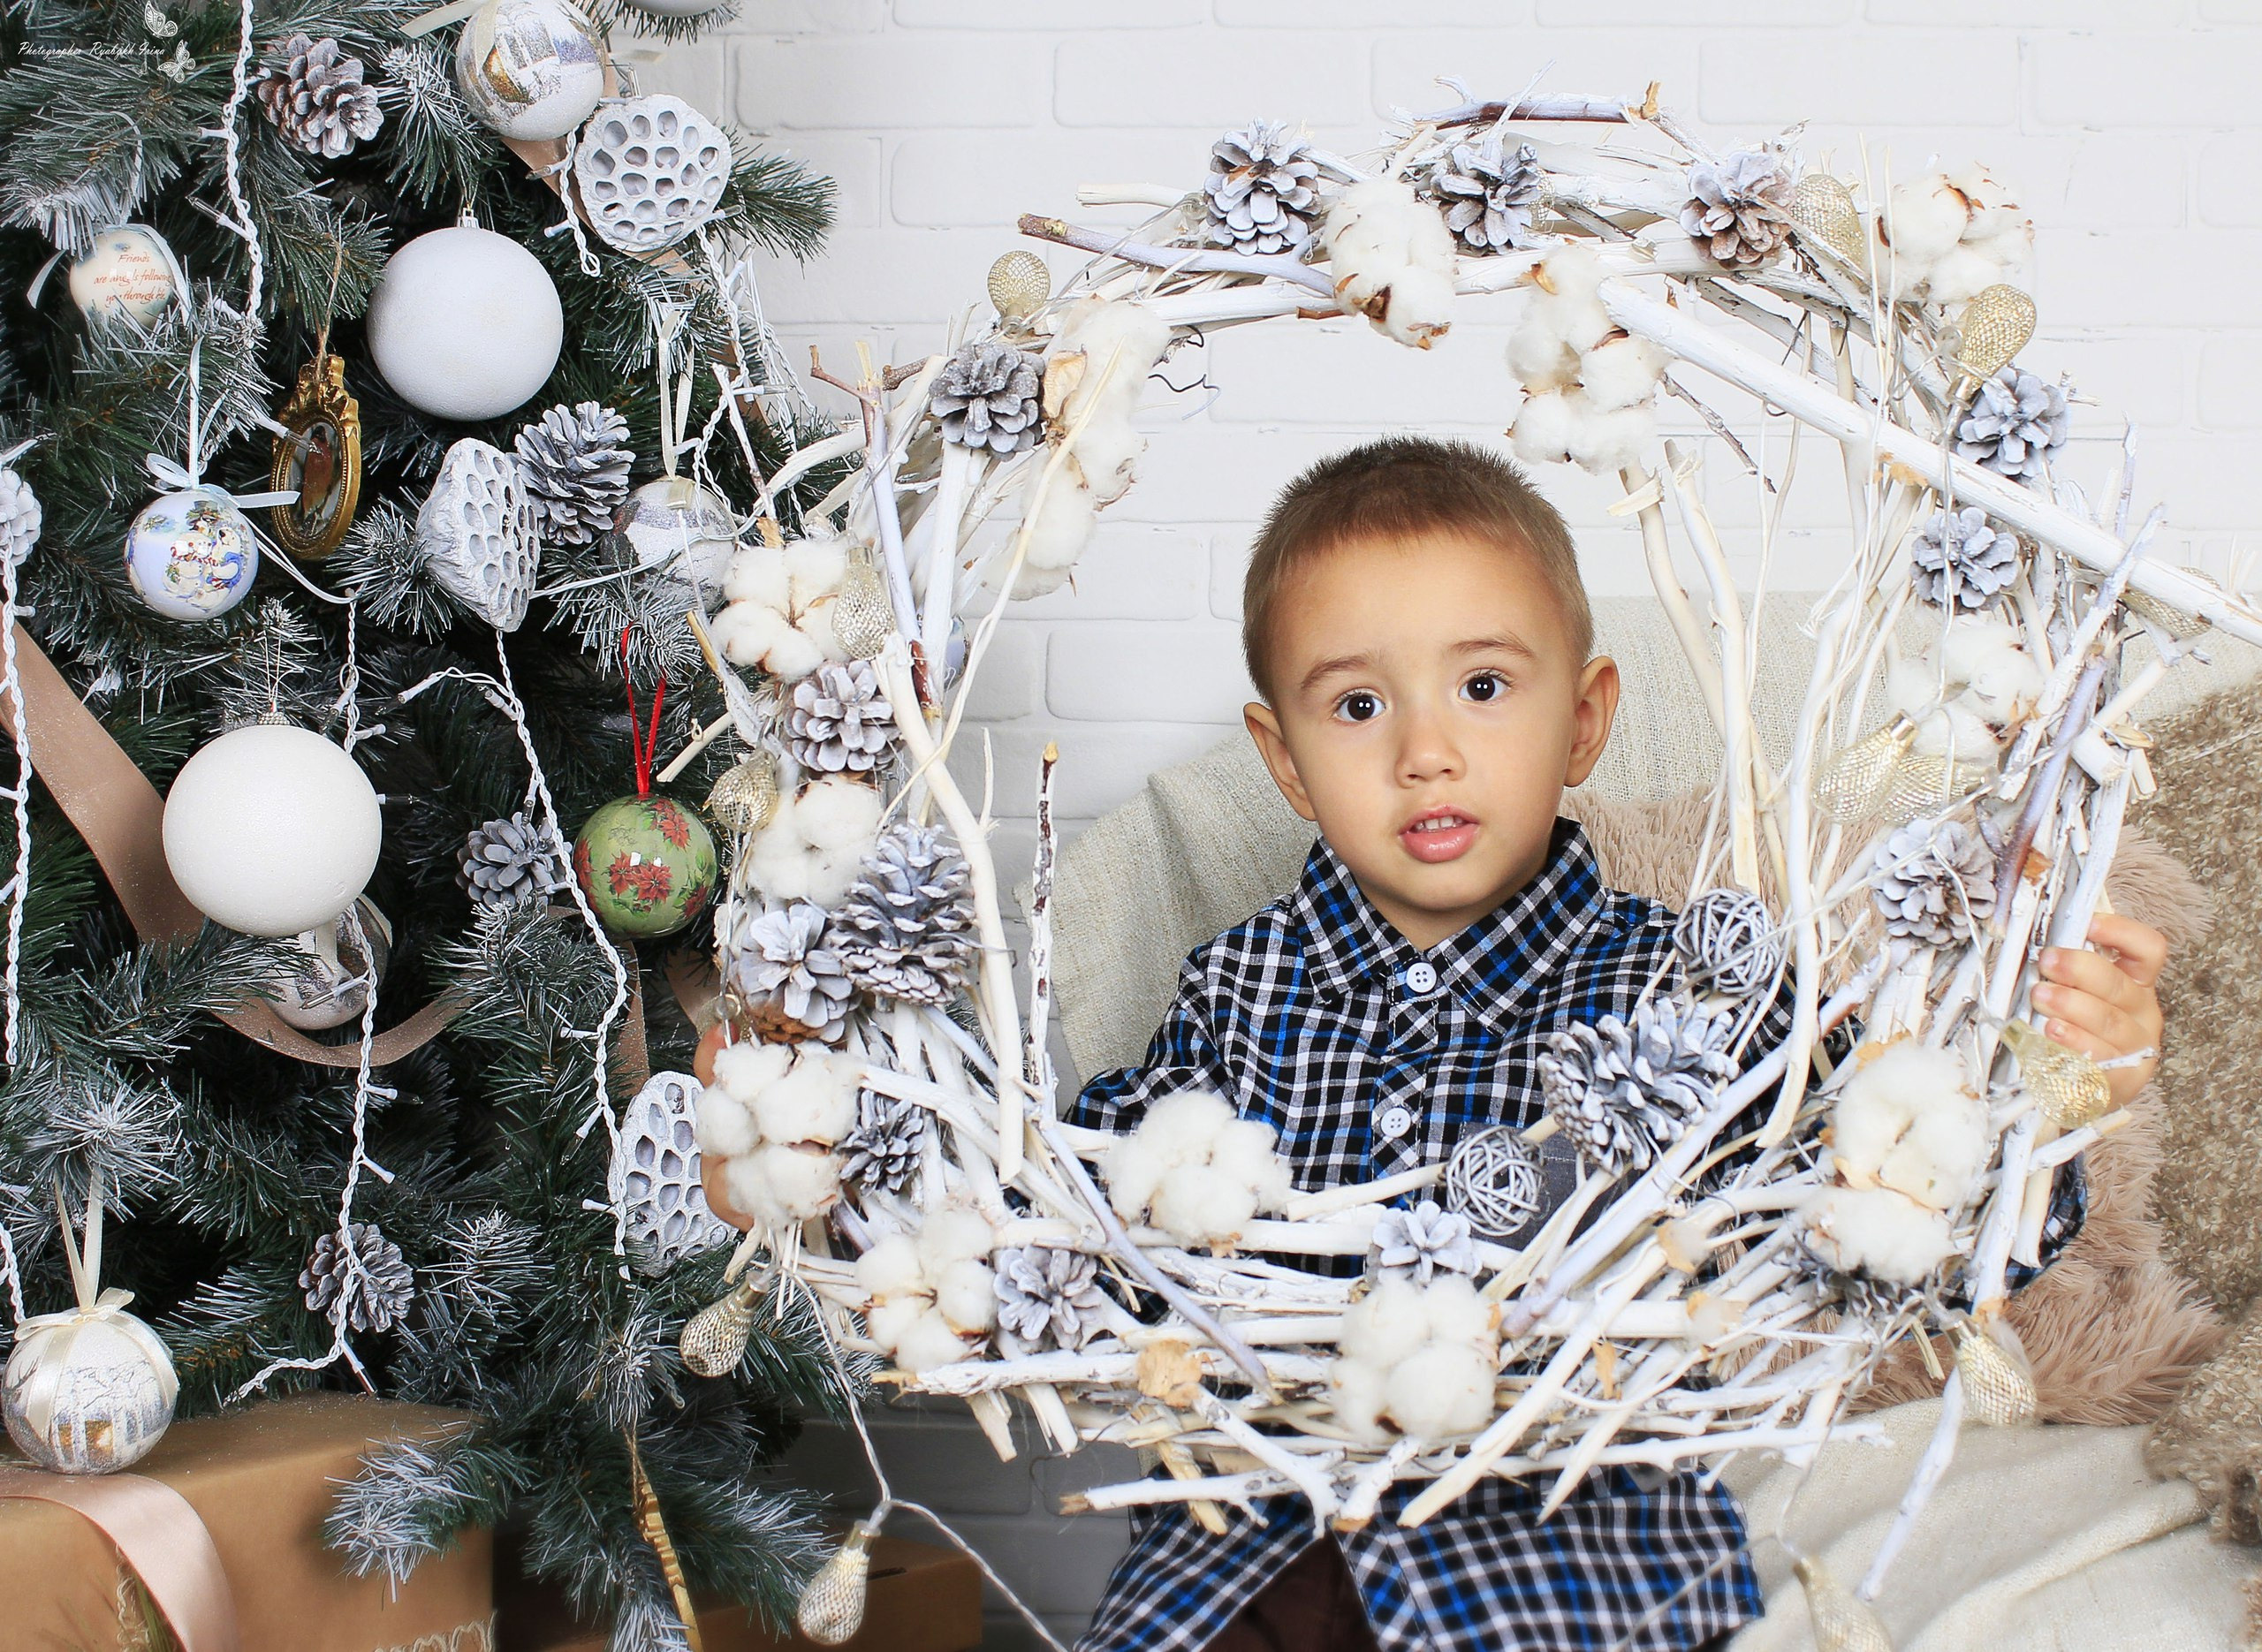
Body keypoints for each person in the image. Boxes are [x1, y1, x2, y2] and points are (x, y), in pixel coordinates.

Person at [1065, 436, 2168, 1652]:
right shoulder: (1237, 986)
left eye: (1483, 687)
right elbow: (1103, 1205)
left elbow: (1893, 1201)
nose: (1423, 749)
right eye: (1359, 704)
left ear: (1584, 719)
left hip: (1563, 1569)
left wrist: (2053, 1100)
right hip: (1258, 1548)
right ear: (1285, 759)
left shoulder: (1690, 993)